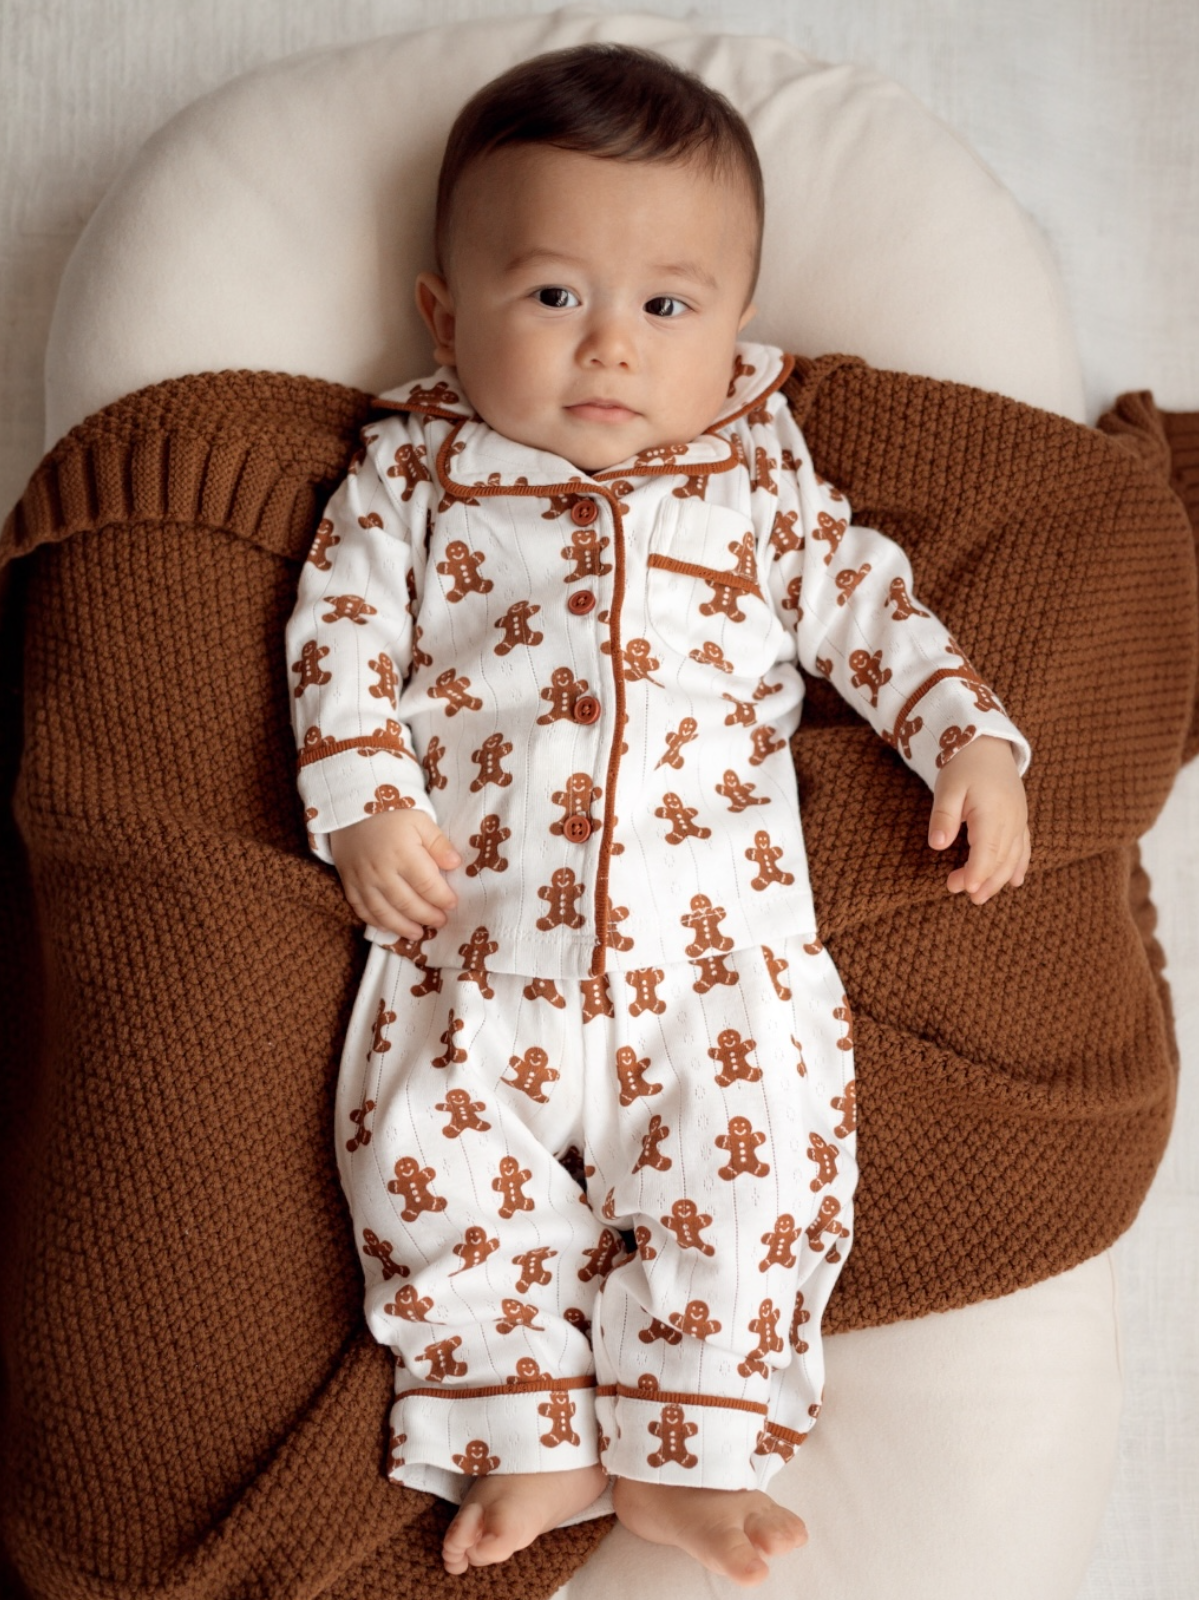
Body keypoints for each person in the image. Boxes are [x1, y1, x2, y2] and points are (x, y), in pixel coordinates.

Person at [284, 41, 1031, 1588]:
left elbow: (868, 612)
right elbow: (336, 631)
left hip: (720, 959)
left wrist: (967, 739)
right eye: (554, 296)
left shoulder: (758, 481)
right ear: (446, 314)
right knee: (420, 1145)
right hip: (470, 945)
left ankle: (690, 1444)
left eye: (667, 307)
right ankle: (525, 1431)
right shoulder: (411, 477)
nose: (610, 348)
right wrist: (361, 797)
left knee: (753, 1170)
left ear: (736, 324)